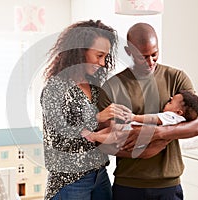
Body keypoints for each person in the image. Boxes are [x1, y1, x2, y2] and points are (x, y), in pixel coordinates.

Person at [96, 23, 198, 200]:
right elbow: (104, 142)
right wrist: (141, 150)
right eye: (143, 57)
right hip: (128, 185)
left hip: (168, 185)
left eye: (154, 54)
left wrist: (158, 133)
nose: (150, 62)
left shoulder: (176, 78)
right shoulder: (112, 87)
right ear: (129, 51)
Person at [40, 19, 132, 200]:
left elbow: (96, 132)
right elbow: (60, 140)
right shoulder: (55, 88)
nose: (103, 63)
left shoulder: (95, 86)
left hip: (99, 175)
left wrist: (117, 125)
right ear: (80, 51)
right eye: (99, 56)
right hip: (70, 181)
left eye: (106, 56)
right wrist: (97, 118)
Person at [128, 90, 198, 126]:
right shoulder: (179, 121)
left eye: (170, 102)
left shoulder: (172, 117)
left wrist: (134, 117)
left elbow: (152, 119)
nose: (169, 100)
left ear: (178, 112)